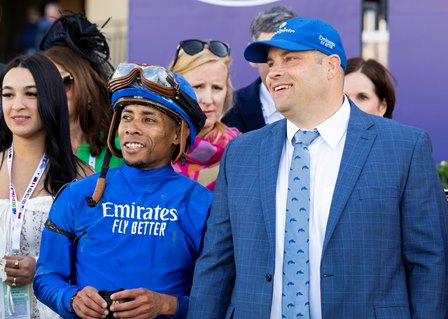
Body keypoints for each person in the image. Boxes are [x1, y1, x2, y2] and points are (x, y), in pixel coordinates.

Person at [188, 17, 448, 319]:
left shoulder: (405, 148)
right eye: (271, 62)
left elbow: (431, 263)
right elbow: (216, 264)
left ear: (330, 67)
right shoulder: (242, 153)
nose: (274, 72)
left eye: (290, 59)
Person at [33, 63, 212, 319]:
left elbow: (218, 295)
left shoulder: (204, 204)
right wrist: (71, 298)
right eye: (126, 117)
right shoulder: (76, 195)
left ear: (178, 133)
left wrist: (166, 305)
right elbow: (46, 277)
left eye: (148, 119)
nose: (132, 128)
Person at [0, 52, 91, 318]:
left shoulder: (83, 178)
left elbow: (96, 261)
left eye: (31, 94)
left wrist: (41, 268)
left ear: (51, 97)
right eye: (7, 95)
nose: (17, 105)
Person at [40, 13, 124, 171]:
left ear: (87, 88)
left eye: (61, 81)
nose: (50, 91)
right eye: (41, 83)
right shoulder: (25, 149)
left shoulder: (121, 151)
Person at [169, 39, 239, 190]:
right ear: (175, 90)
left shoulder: (242, 150)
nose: (208, 99)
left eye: (217, 88)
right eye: (198, 87)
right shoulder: (154, 148)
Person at [222, 6, 297, 133]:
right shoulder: (228, 109)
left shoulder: (326, 105)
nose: (278, 70)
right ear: (253, 56)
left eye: (288, 57)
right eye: (267, 56)